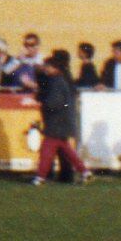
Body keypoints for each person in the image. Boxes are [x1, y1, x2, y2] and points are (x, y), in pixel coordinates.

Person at [30, 50, 89, 185]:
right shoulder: (60, 80)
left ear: (54, 68)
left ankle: (40, 177)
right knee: (67, 151)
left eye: (47, 67)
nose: (45, 69)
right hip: (62, 122)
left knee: (46, 151)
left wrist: (42, 102)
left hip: (56, 123)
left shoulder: (56, 82)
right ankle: (85, 172)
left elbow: (54, 103)